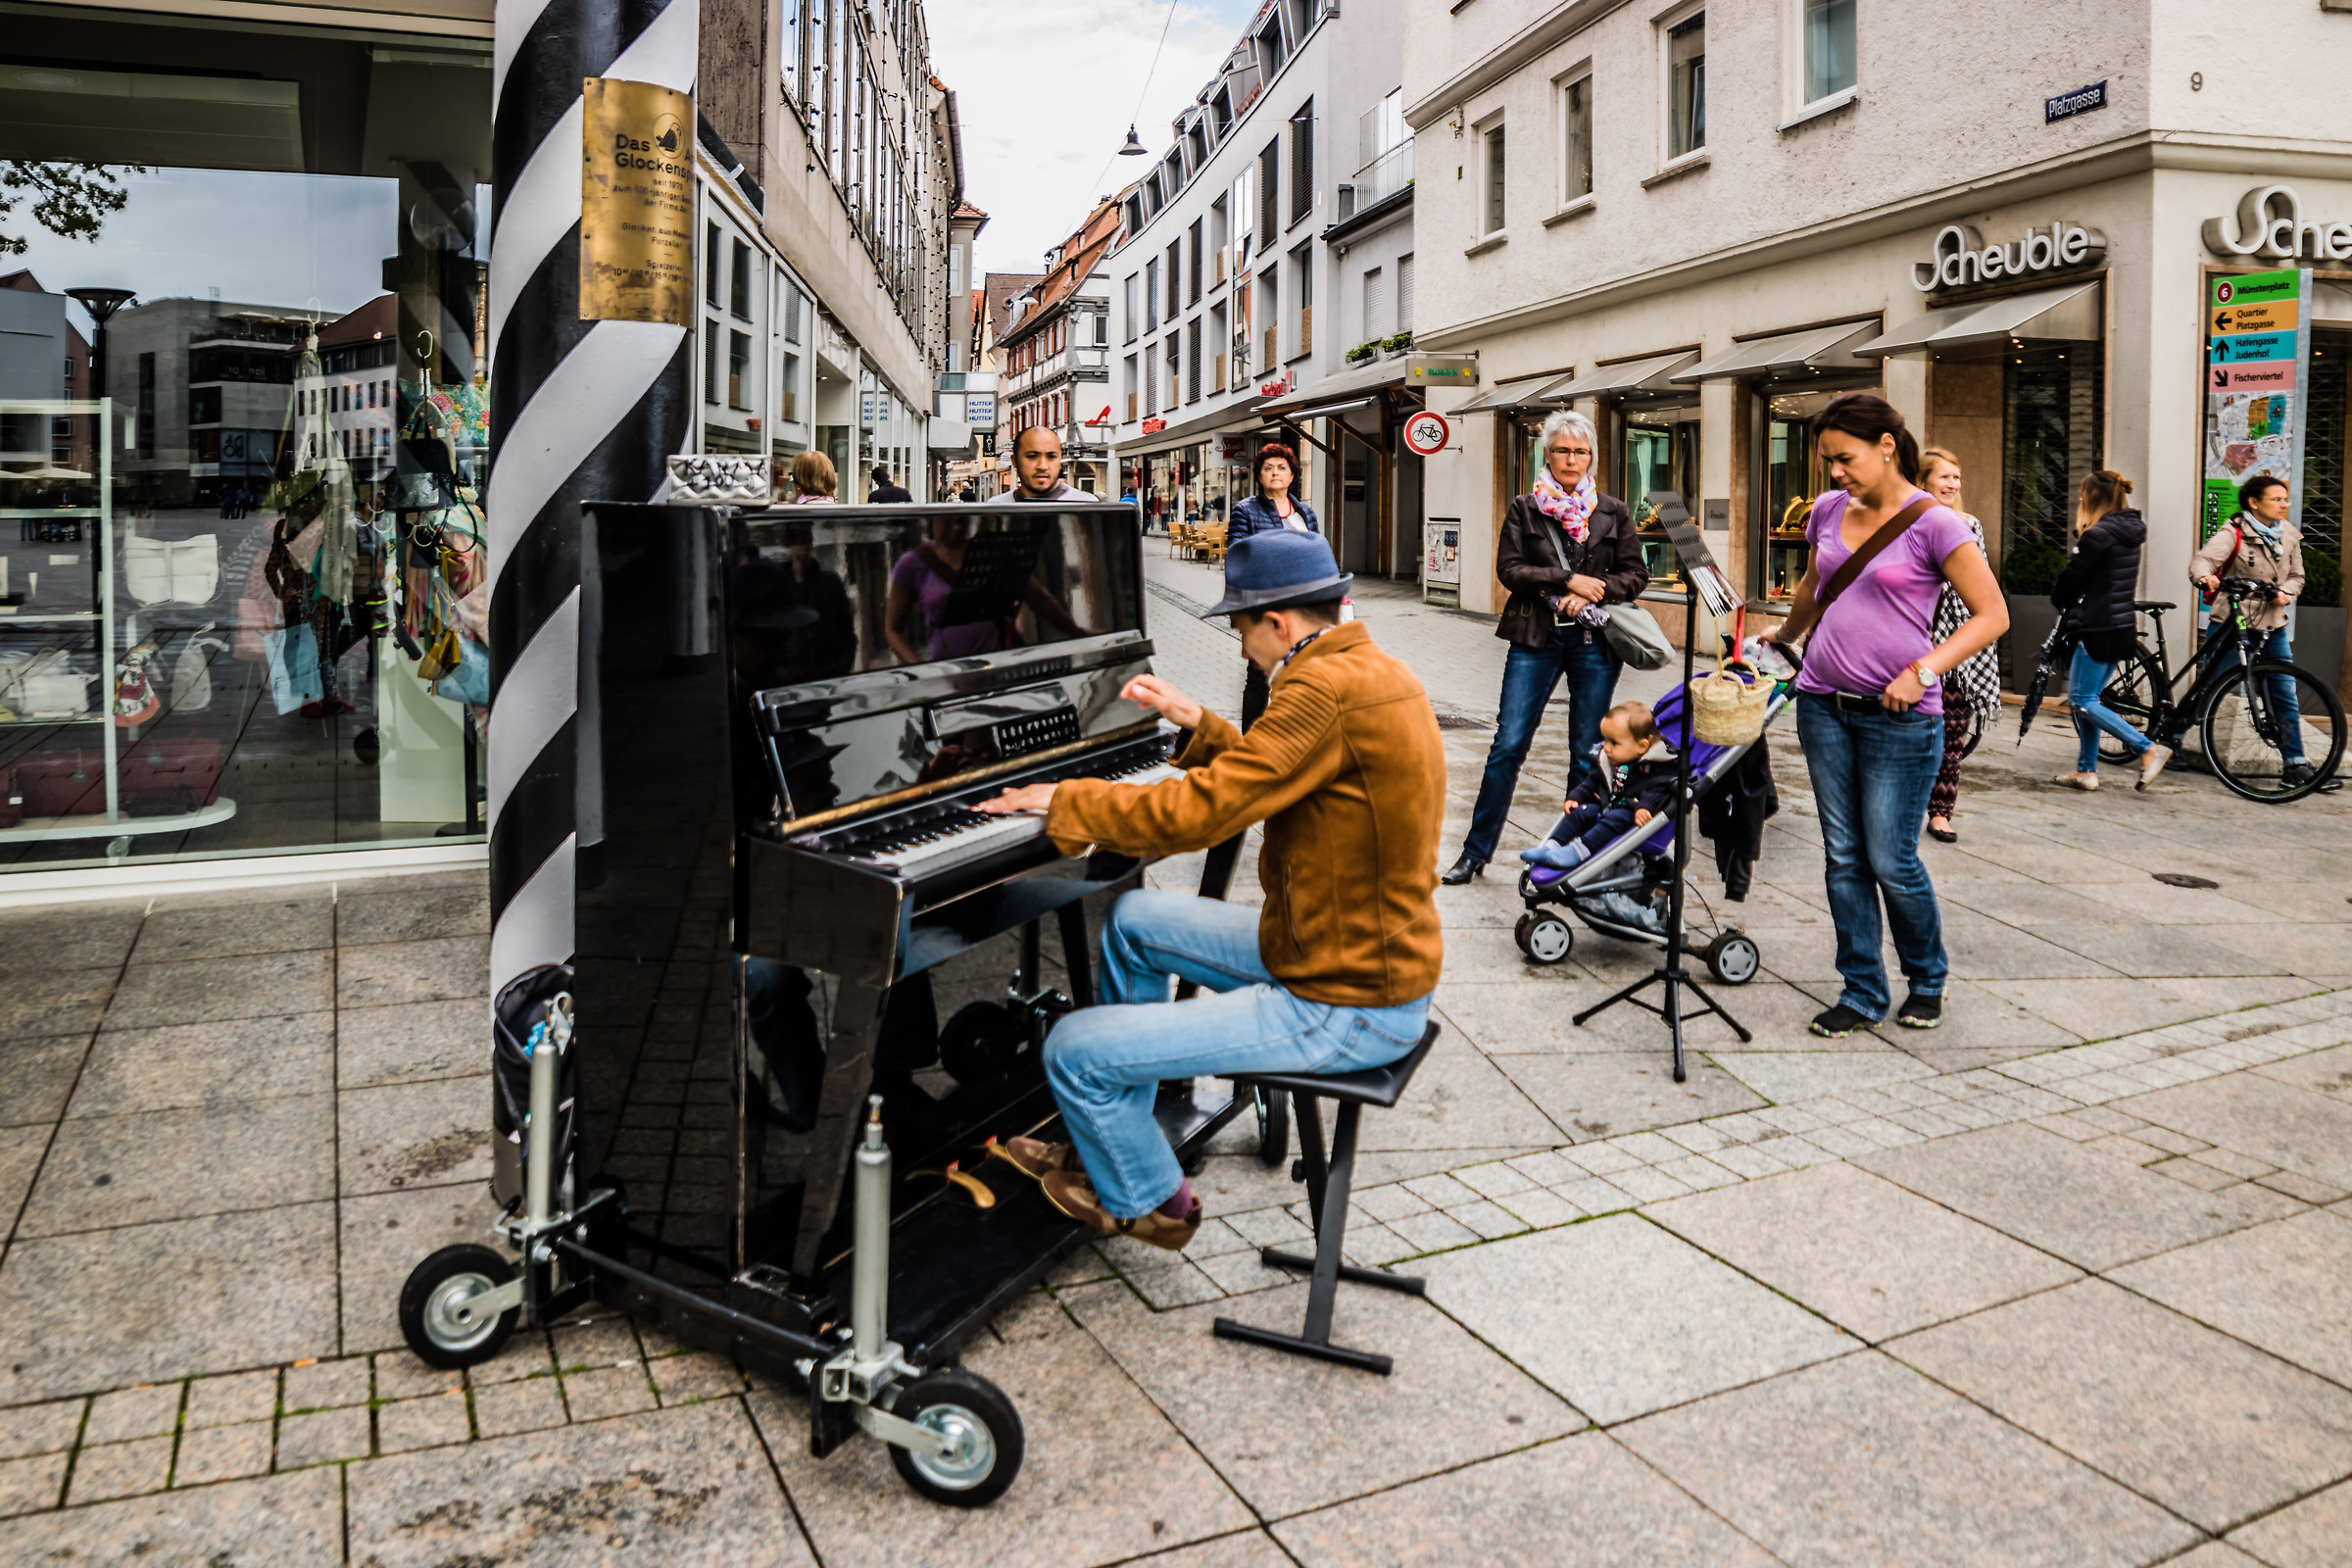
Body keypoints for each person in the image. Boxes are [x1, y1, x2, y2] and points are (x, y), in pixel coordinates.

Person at [971, 529, 1444, 1249]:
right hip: (1346, 953)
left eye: (1240, 628)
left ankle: (1151, 1199)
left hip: (1344, 1002)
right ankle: (1117, 1137)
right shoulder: (1371, 671)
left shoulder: (1319, 689)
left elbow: (1200, 813)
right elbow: (1281, 768)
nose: (1239, 645)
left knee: (1072, 1048)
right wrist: (1199, 724)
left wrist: (1066, 800)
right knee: (1132, 921)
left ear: (1278, 623)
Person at [1770, 394, 2006, 1038]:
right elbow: (1817, 586)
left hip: (1900, 718)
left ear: (1885, 446)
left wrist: (1924, 669)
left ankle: (1926, 979)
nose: (1834, 473)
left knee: (1891, 858)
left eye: (1844, 458)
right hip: (1822, 706)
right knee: (1843, 856)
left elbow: (1992, 615)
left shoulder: (1935, 523)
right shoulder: (1825, 511)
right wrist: (1784, 637)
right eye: (1827, 462)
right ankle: (1862, 989)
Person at [1443, 409, 1647, 884]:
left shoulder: (1613, 510)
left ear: (1591, 457)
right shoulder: (1525, 507)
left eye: (1580, 451)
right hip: (1536, 637)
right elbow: (1510, 569)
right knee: (1508, 744)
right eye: (1563, 450)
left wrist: (1594, 590)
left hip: (1595, 642)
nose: (1572, 459)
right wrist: (1565, 579)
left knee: (1587, 751)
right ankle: (1475, 853)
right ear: (1548, 454)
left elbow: (1636, 574)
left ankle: (1578, 853)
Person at [2190, 473, 2317, 786]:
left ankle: (2295, 763)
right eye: (2277, 499)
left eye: (2285, 499)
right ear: (2254, 503)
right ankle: (2175, 742)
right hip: (2233, 623)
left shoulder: (2289, 534)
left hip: (2272, 624)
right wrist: (2206, 578)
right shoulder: (2234, 532)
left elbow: (2298, 576)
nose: (2284, 505)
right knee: (2210, 687)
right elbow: (2203, 561)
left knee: (2284, 691)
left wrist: (2286, 591)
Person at [2049, 470, 2168, 792]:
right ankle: (2086, 771)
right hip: (2121, 625)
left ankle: (2146, 747)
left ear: (2094, 498)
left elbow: (2072, 579)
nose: (2079, 499)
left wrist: (2060, 598)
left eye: (2083, 494)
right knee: (2090, 699)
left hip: (2097, 626)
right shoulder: (2128, 531)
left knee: (2082, 700)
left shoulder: (2098, 535)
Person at [1917, 449, 2005, 841]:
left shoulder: (1969, 525)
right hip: (1915, 638)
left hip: (1956, 642)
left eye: (1957, 478)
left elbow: (1977, 586)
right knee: (1912, 733)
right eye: (1944, 477)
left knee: (1952, 734)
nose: (1952, 484)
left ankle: (1940, 812)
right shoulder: (1909, 523)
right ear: (1922, 481)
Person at [1517, 700, 1675, 870]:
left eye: (1614, 743)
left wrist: (1645, 807)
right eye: (1605, 740)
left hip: (1631, 815)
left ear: (1641, 746)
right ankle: (1551, 846)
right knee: (1581, 812)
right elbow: (1592, 782)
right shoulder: (1614, 760)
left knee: (1615, 817)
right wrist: (1576, 797)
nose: (1606, 748)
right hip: (1609, 806)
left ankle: (1578, 852)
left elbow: (1659, 788)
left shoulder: (1656, 766)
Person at [1226, 443, 1320, 727]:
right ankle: (1252, 745)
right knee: (1259, 675)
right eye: (1268, 468)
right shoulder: (1245, 510)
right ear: (1259, 476)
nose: (1275, 473)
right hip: (1263, 606)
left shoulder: (1305, 513)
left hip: (1301, 607)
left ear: (1292, 476)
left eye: (1282, 468)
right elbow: (1237, 556)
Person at [1008, 425, 1089, 502]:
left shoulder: (1088, 506)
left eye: (1051, 456)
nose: (1042, 466)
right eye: (1032, 456)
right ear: (1015, 461)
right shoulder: (997, 507)